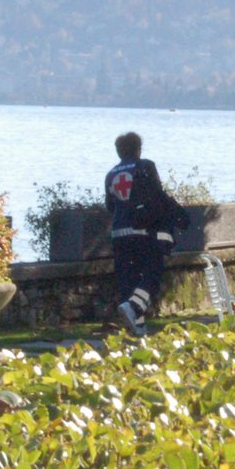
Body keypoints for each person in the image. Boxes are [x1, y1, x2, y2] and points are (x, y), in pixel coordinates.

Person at [104, 132, 188, 335]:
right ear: (138, 149)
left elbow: (110, 205)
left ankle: (136, 327)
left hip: (119, 233)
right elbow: (157, 195)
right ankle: (134, 308)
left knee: (127, 279)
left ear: (118, 151)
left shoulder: (111, 174)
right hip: (143, 230)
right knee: (151, 273)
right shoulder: (145, 166)